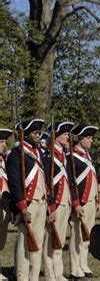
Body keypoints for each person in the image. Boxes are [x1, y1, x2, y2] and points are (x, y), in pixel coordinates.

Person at [7, 119, 53, 281]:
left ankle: (33, 277)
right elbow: (14, 183)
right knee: (24, 245)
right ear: (24, 135)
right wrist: (22, 208)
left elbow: (45, 179)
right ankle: (22, 277)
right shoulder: (16, 154)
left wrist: (49, 204)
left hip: (41, 203)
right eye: (34, 133)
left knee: (37, 244)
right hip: (28, 204)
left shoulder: (38, 153)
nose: (38, 136)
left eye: (39, 133)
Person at [43, 121, 79, 281]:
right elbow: (47, 182)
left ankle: (59, 273)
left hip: (66, 202)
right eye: (65, 134)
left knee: (59, 239)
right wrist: (51, 204)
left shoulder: (64, 155)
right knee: (51, 241)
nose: (68, 137)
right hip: (56, 203)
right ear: (56, 136)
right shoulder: (48, 155)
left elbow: (70, 180)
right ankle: (50, 273)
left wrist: (74, 201)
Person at [69, 124, 100, 279]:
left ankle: (84, 264)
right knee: (77, 236)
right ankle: (75, 269)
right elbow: (71, 183)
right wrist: (76, 203)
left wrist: (97, 200)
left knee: (87, 236)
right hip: (81, 203)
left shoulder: (87, 155)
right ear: (79, 139)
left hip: (91, 202)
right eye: (88, 138)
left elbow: (93, 178)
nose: (91, 141)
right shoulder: (72, 157)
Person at [0, 128, 13, 280]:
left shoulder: (3, 161)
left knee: (1, 240)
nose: (4, 145)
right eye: (1, 142)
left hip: (3, 206)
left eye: (4, 142)